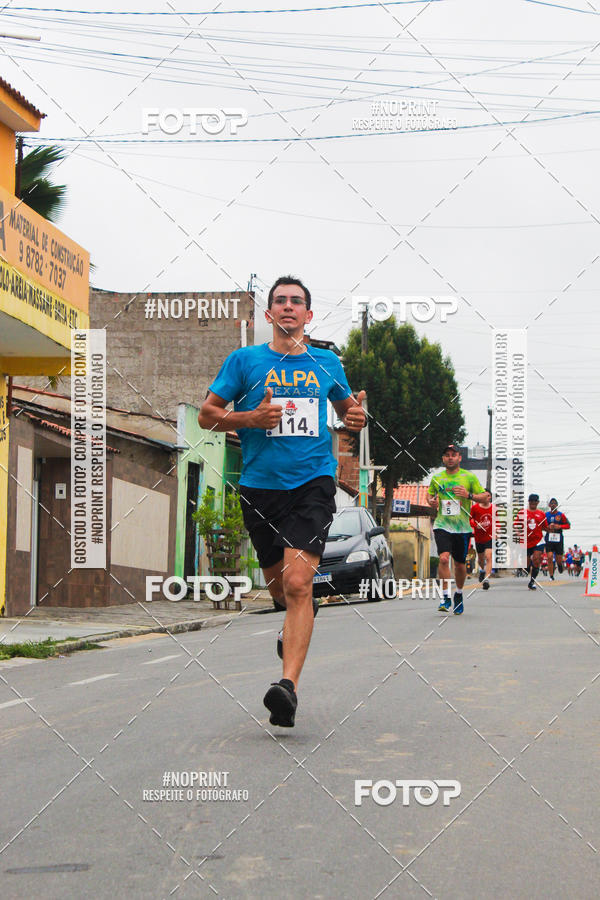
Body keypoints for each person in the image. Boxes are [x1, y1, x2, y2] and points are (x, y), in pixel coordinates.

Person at [199, 275, 366, 728]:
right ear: (269, 314)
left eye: (297, 302)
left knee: (298, 584)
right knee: (279, 590)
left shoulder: (326, 362)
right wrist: (250, 417)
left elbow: (350, 413)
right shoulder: (244, 361)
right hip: (260, 486)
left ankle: (287, 688)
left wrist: (357, 416)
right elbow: (207, 416)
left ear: (308, 315)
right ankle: (289, 628)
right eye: (280, 302)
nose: (288, 307)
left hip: (312, 483)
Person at [427, 445, 489, 615]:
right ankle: (445, 596)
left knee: (460, 564)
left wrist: (469, 495)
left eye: (453, 455)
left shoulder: (469, 477)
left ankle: (459, 594)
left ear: (460, 458)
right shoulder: (437, 478)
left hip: (462, 527)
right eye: (447, 455)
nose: (450, 458)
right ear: (443, 459)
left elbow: (485, 496)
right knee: (444, 559)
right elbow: (430, 495)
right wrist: (431, 501)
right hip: (442, 525)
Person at [515, 494, 547, 590]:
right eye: (531, 501)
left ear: (537, 502)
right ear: (528, 502)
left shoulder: (541, 514)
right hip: (526, 541)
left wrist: (552, 528)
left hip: (538, 540)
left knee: (536, 560)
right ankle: (527, 569)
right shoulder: (522, 513)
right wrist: (517, 531)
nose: (533, 503)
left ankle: (532, 581)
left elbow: (545, 527)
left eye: (535, 501)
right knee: (527, 564)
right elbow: (516, 525)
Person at [469, 494, 495, 591]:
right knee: (480, 559)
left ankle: (486, 579)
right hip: (479, 538)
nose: (487, 498)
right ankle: (482, 570)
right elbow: (470, 519)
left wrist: (498, 531)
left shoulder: (494, 508)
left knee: (489, 556)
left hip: (490, 536)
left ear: (490, 498)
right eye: (484, 496)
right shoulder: (475, 508)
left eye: (488, 496)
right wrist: (476, 525)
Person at [544, 498, 570, 580]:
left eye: (555, 503)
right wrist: (547, 527)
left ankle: (559, 565)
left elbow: (568, 525)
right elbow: (541, 526)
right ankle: (551, 576)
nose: (553, 505)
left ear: (557, 505)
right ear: (549, 505)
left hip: (558, 538)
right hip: (549, 538)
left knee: (559, 559)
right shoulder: (546, 515)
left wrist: (559, 526)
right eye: (551, 503)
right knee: (550, 557)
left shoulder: (561, 515)